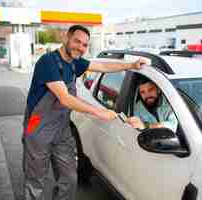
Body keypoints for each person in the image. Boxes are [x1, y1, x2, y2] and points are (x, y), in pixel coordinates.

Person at [22, 25, 145, 200]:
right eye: (77, 41)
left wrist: (131, 64)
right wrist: (99, 112)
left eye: (85, 45)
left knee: (70, 178)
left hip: (61, 129)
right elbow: (64, 98)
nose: (80, 47)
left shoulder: (75, 63)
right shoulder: (48, 62)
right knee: (36, 180)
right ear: (66, 39)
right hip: (38, 129)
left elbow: (102, 65)